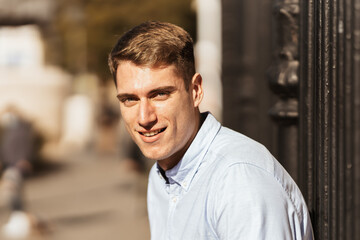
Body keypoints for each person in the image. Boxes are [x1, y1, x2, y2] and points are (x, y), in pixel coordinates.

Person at [108, 21, 313, 239]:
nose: (144, 117)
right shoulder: (160, 177)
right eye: (129, 99)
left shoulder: (239, 180)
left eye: (159, 94)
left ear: (195, 90)